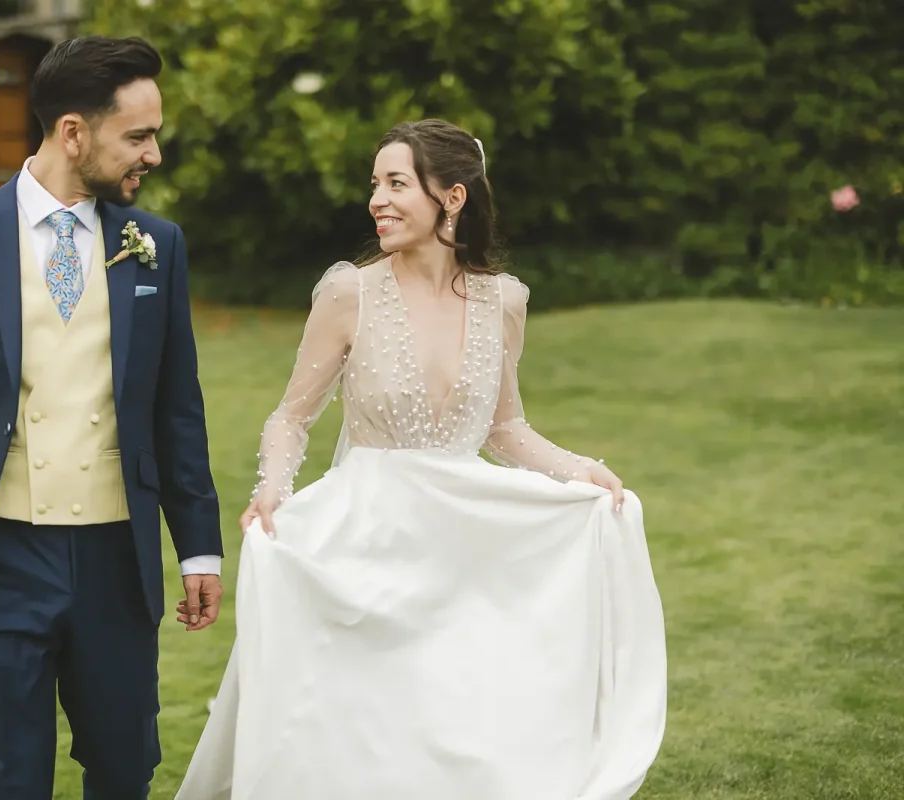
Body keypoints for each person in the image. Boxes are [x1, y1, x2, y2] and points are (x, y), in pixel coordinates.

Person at [175, 120, 666, 799]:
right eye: (375, 184)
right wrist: (273, 491)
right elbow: (292, 415)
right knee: (371, 723)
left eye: (396, 183)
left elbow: (506, 427)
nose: (377, 199)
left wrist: (579, 469)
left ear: (452, 197)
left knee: (455, 718)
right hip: (367, 536)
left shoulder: (506, 302)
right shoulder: (350, 292)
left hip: (462, 544)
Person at [0, 36, 225, 800]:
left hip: (115, 558)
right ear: (74, 132)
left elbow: (178, 408)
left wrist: (199, 548)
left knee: (126, 764)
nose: (154, 155)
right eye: (138, 136)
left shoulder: (155, 245)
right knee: (10, 777)